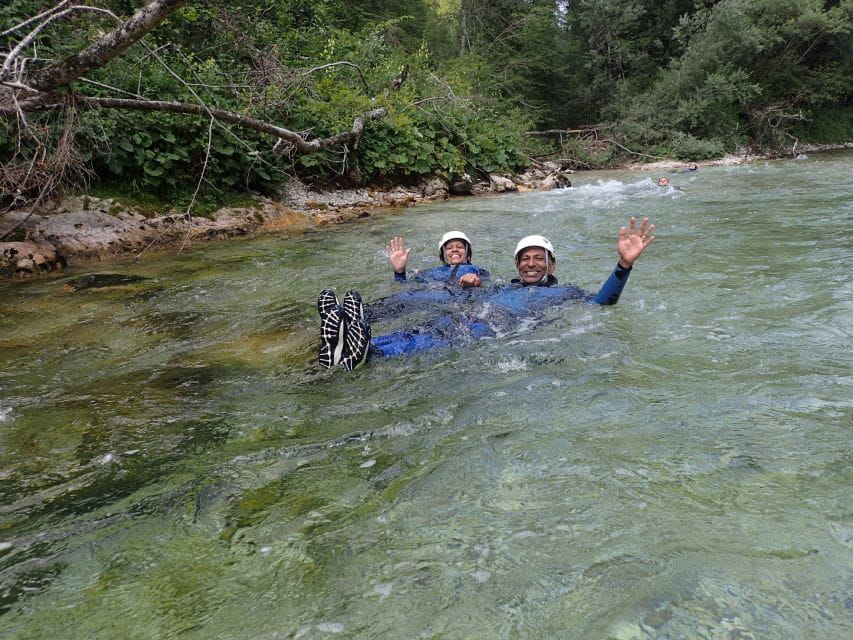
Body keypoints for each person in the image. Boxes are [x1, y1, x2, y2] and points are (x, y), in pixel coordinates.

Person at [318, 217, 655, 370]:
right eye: (525, 259)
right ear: (518, 266)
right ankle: (356, 344)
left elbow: (602, 304)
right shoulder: (502, 285)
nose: (531, 264)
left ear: (551, 266)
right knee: (425, 331)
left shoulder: (565, 292)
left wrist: (623, 266)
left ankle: (364, 353)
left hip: (498, 328)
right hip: (468, 317)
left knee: (433, 342)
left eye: (539, 259)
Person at [388, 232, 489, 288]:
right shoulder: (433, 272)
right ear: (443, 254)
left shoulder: (476, 270)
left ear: (467, 252)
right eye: (449, 248)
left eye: (460, 247)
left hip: (470, 303)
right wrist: (399, 272)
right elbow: (404, 285)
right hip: (441, 302)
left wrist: (476, 282)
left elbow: (486, 284)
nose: (454, 249)